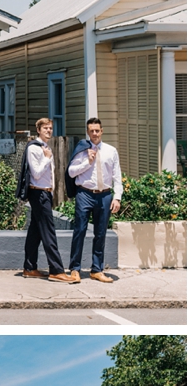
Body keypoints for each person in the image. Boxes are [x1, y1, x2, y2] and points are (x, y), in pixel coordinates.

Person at [67, 117, 123, 284]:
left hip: (104, 195)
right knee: (80, 231)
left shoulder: (111, 151)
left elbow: (117, 176)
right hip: (85, 194)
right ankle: (75, 269)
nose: (94, 133)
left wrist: (117, 197)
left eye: (97, 130)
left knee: (101, 233)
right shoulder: (81, 150)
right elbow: (71, 172)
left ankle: (96, 269)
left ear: (102, 131)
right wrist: (87, 162)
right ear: (88, 132)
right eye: (91, 131)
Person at [17, 119, 73, 283]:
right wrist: (47, 158)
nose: (49, 131)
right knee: (49, 232)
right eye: (45, 128)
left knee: (35, 231)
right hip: (38, 193)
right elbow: (36, 173)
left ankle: (29, 267)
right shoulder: (34, 148)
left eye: (50, 128)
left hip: (45, 193)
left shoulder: (46, 148)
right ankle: (56, 270)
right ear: (38, 130)